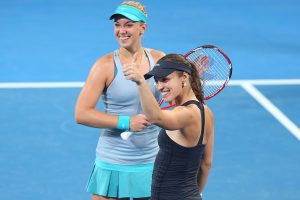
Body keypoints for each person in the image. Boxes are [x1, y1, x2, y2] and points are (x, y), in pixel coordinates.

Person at [75, 1, 165, 200]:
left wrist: (189, 80)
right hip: (113, 161)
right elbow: (81, 113)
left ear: (143, 28)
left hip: (151, 161)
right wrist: (127, 122)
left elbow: (177, 98)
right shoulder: (104, 66)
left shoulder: (160, 60)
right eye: (117, 25)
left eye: (128, 24)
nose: (121, 30)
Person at [123, 53, 214, 200]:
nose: (159, 87)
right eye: (157, 81)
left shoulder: (186, 114)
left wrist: (140, 81)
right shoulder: (206, 111)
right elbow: (206, 163)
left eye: (165, 80)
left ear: (184, 77)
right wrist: (195, 194)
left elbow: (155, 116)